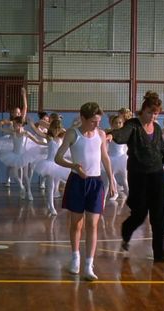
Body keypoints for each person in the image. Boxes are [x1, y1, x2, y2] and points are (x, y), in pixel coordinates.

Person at [107, 91, 164, 263]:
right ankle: (126, 231)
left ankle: (159, 254)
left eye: (155, 114)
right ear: (142, 110)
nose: (152, 116)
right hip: (138, 176)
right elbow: (122, 134)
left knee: (159, 215)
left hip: (156, 175)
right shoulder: (133, 125)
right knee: (139, 214)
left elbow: (161, 150)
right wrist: (111, 135)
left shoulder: (158, 128)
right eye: (149, 113)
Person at [55, 102, 115, 281]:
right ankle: (75, 258)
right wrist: (73, 165)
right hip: (77, 182)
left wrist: (111, 180)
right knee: (77, 224)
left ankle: (89, 265)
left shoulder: (101, 134)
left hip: (95, 183)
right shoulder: (73, 134)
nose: (96, 125)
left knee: (93, 224)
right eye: (92, 121)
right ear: (82, 118)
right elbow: (57, 157)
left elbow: (105, 157)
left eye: (98, 121)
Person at [32, 119, 70, 216]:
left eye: (58, 128)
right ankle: (51, 206)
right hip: (49, 163)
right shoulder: (49, 137)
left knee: (55, 186)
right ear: (51, 128)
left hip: (58, 164)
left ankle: (50, 204)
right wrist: (31, 123)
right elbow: (37, 131)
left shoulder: (63, 136)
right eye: (55, 128)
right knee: (50, 185)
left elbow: (71, 131)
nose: (56, 130)